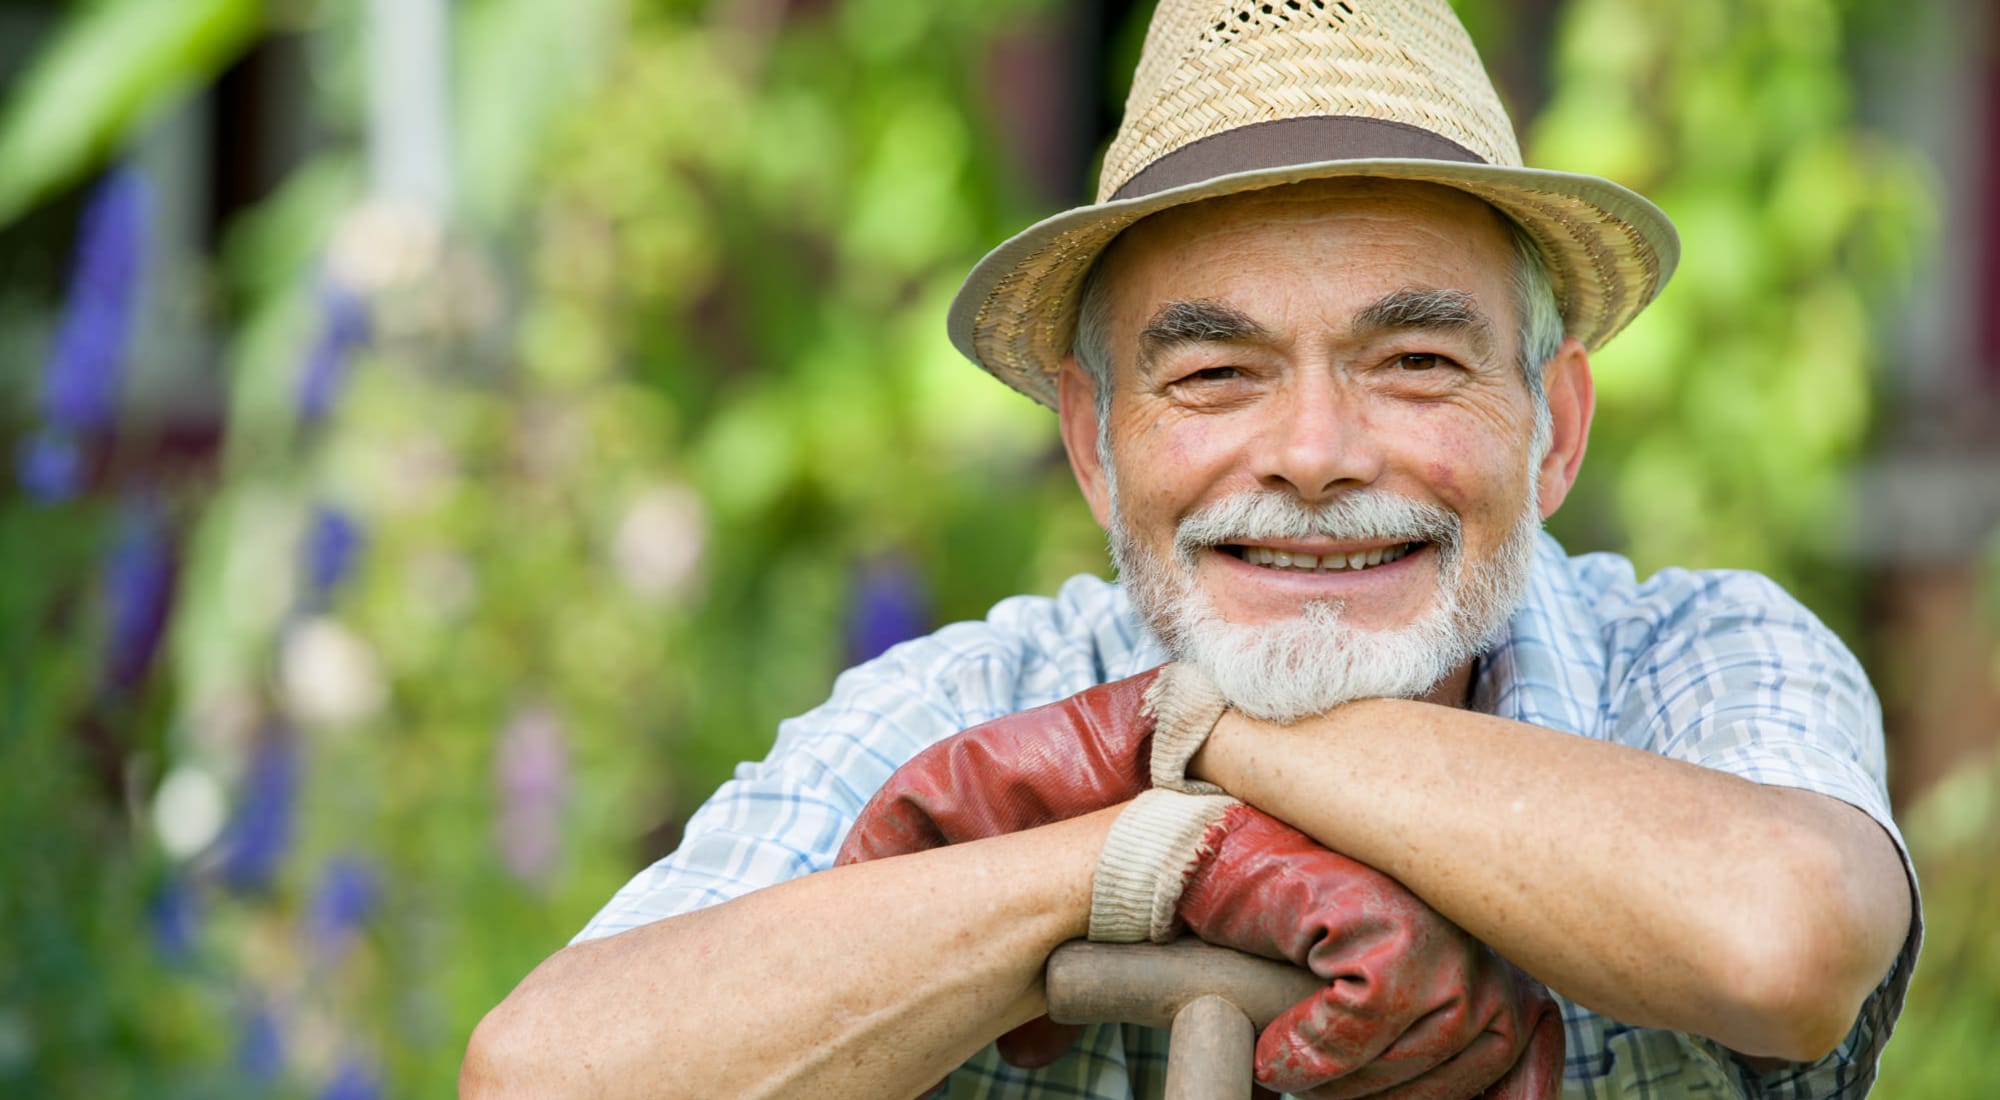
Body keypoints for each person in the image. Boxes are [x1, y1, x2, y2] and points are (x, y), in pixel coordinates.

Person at [461, 1, 1919, 1097]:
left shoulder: (1698, 652)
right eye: (1215, 375)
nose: (1312, 451)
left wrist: (1190, 727)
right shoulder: (986, 688)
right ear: (1095, 443)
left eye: (1413, 360)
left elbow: (1780, 942)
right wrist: (1138, 848)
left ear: (1552, 426)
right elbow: (544, 1076)